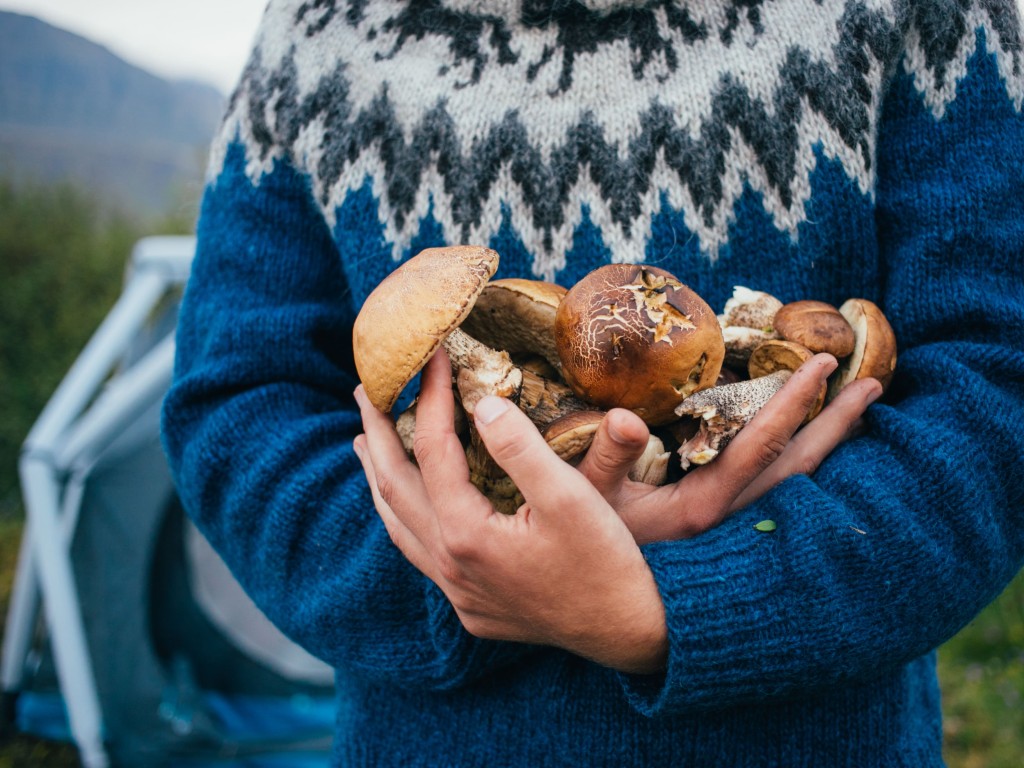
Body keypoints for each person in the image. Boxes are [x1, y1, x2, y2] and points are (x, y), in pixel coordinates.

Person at [161, 0, 1024, 764]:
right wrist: (478, 574)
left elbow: (997, 382)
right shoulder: (321, 31)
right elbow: (239, 406)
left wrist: (673, 604)